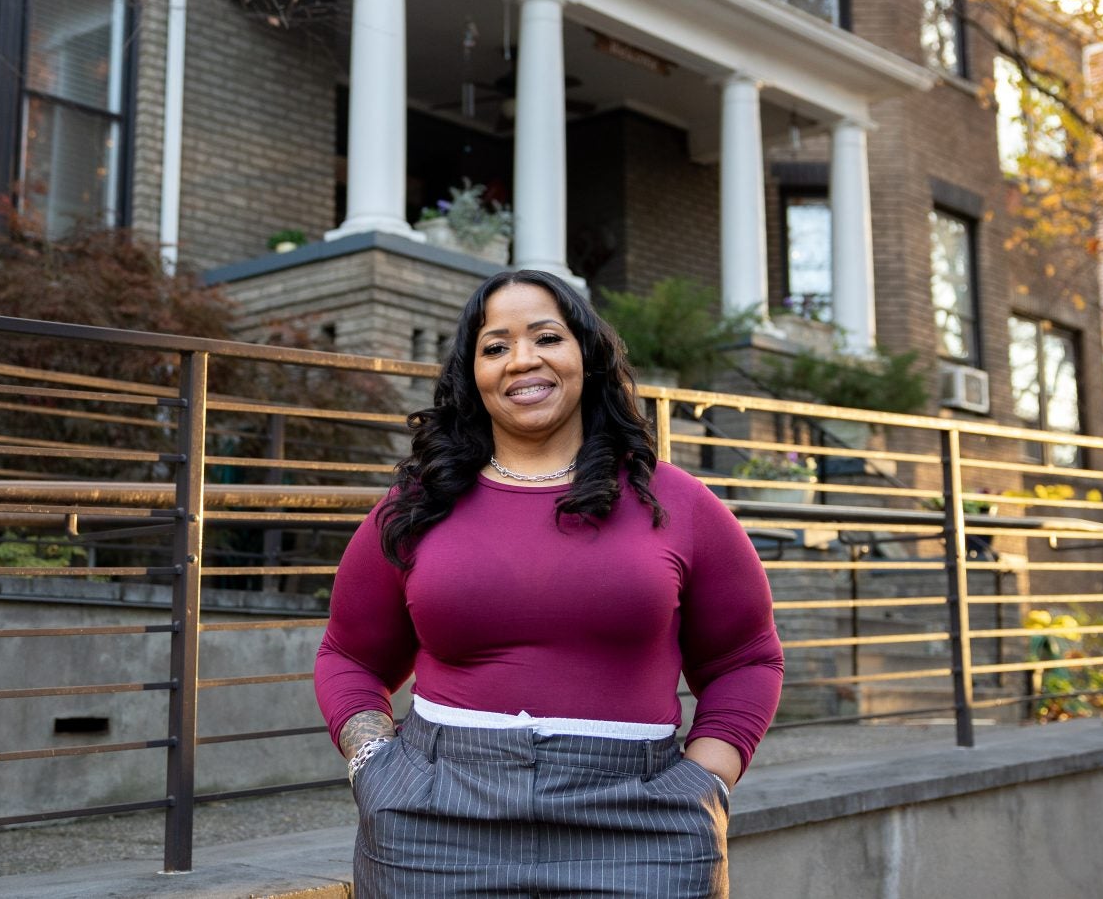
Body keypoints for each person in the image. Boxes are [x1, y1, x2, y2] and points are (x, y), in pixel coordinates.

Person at [313, 269, 784, 898]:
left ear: (585, 355)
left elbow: (746, 659)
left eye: (546, 337)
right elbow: (348, 654)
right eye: (496, 347)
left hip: (643, 825)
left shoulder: (679, 504)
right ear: (472, 375)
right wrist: (375, 767)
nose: (522, 361)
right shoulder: (418, 506)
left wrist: (705, 781)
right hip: (433, 826)